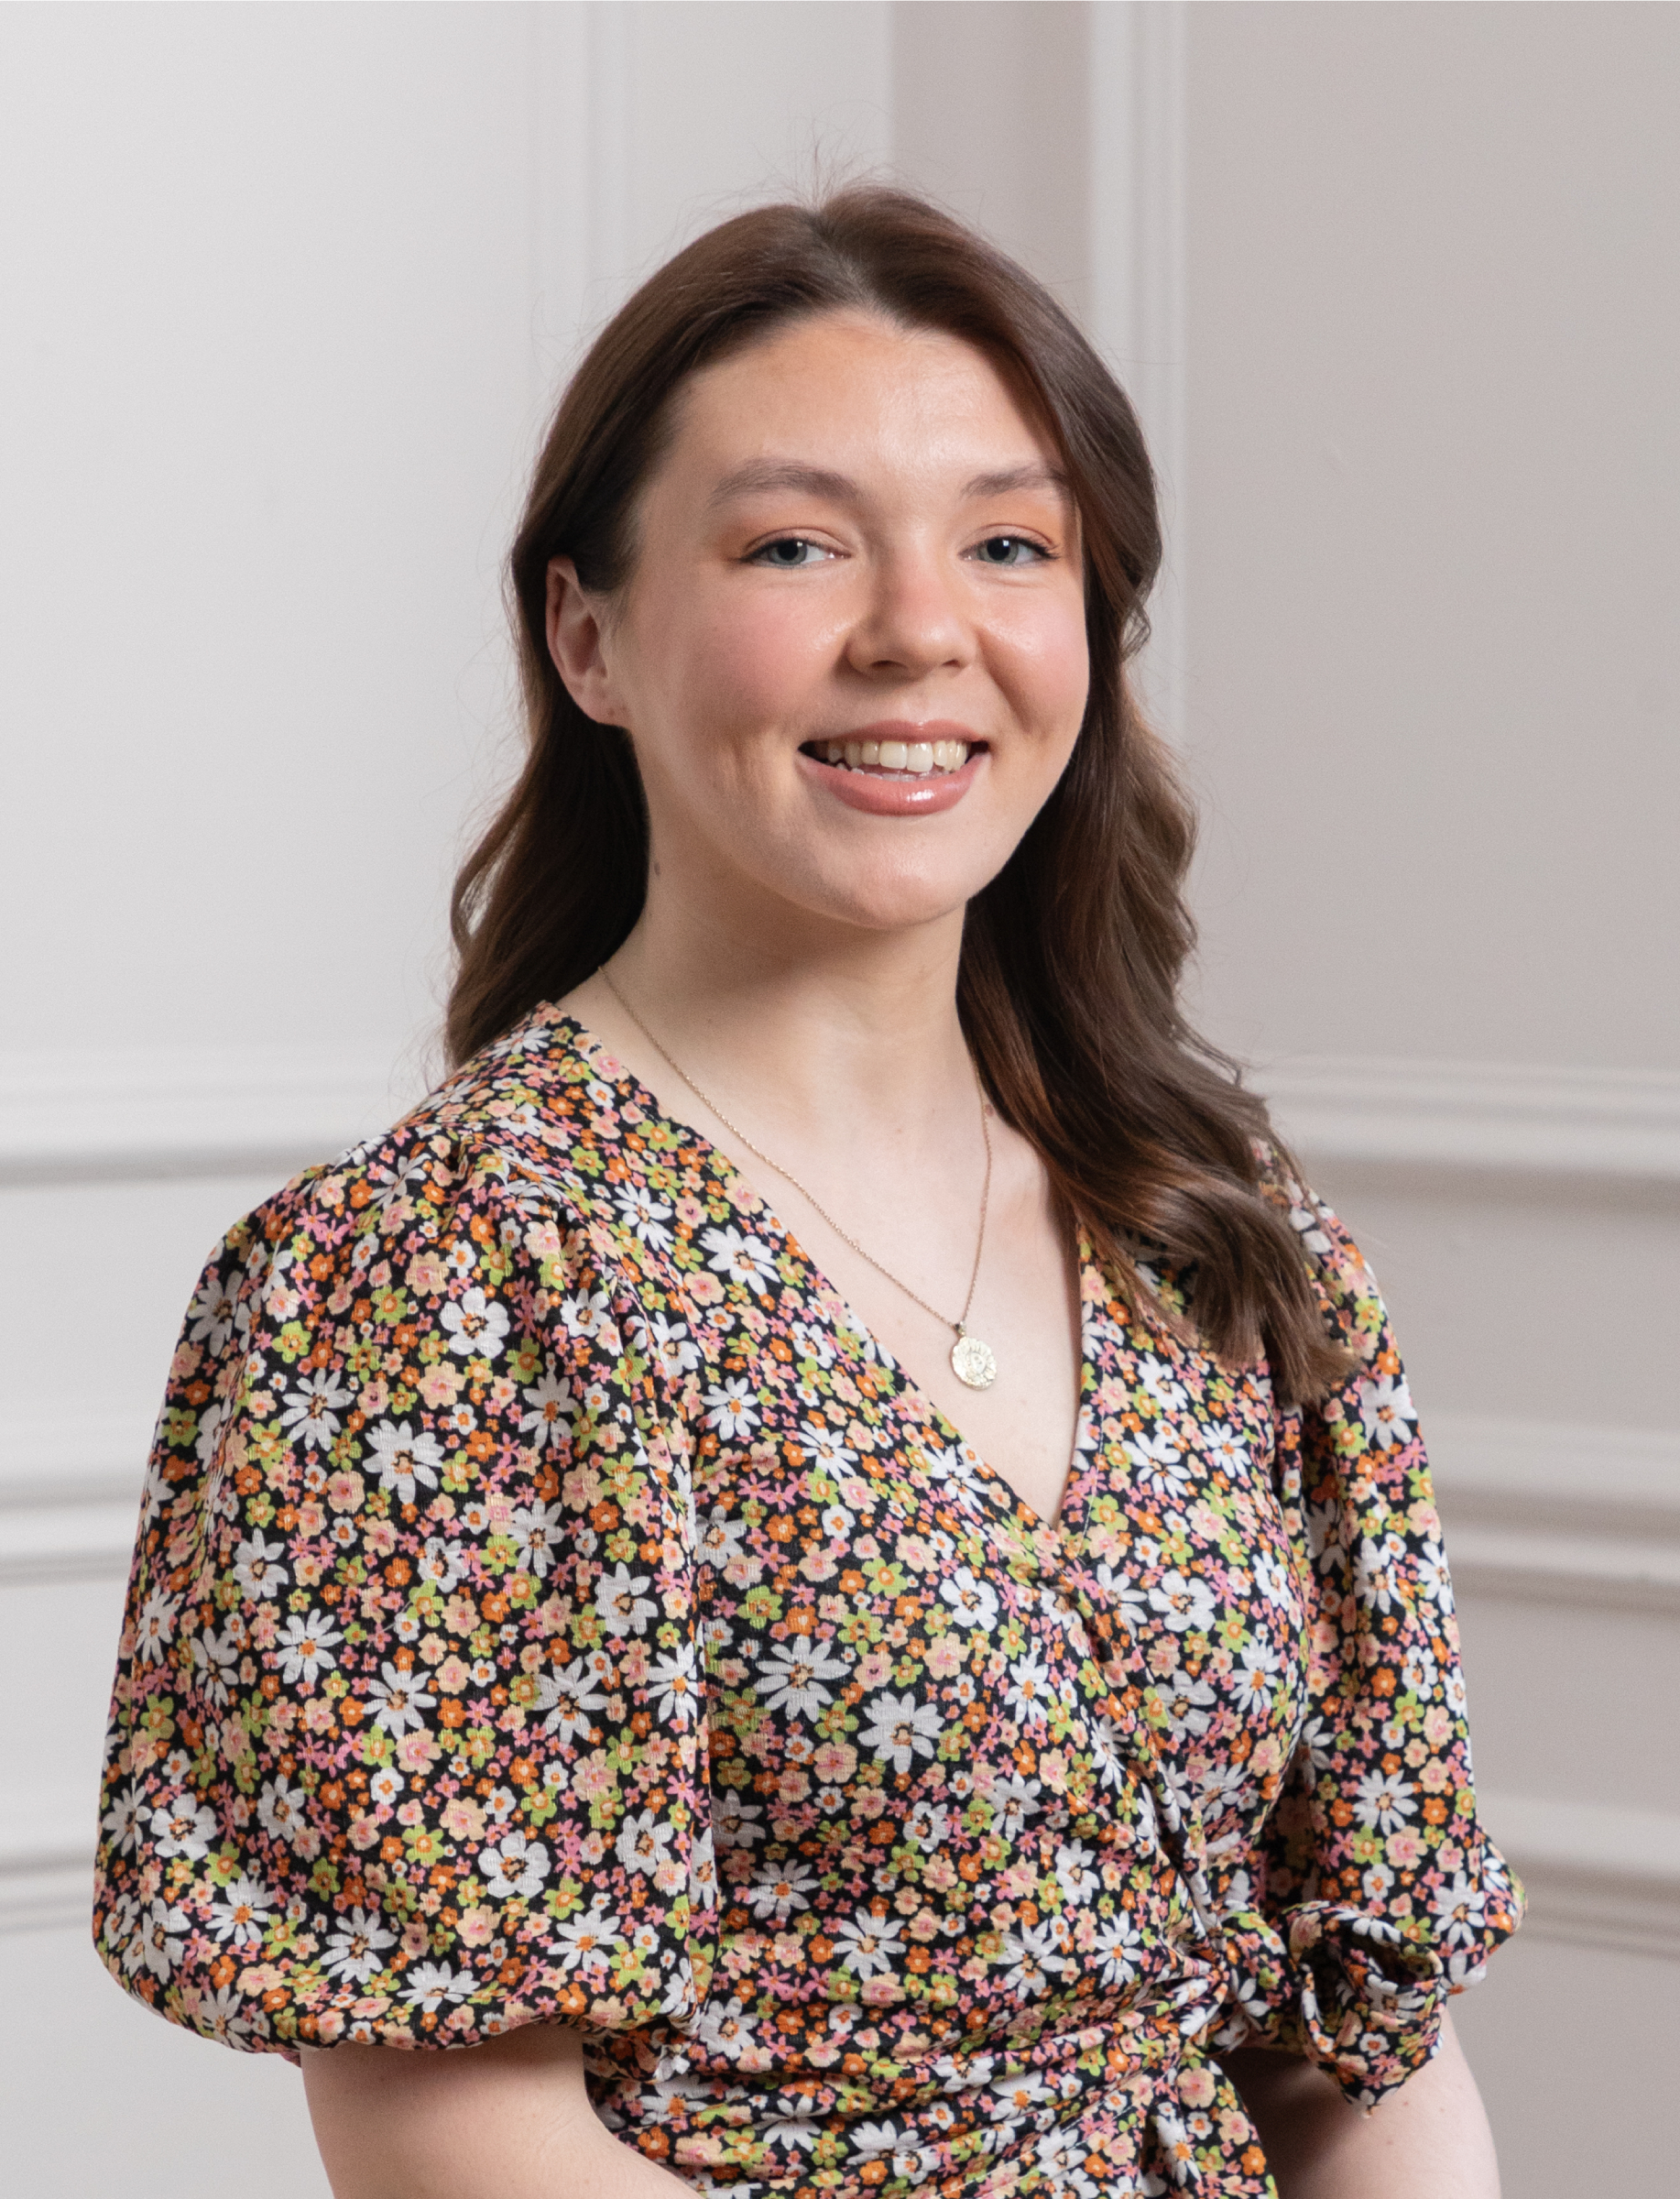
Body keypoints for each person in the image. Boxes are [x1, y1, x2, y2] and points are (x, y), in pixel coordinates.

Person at [94, 186, 1521, 2199]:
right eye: (794, 544)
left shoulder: (1206, 1220)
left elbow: (1359, 2038)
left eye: (1009, 546)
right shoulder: (431, 1283)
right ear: (584, 632)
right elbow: (459, 2140)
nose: (920, 631)